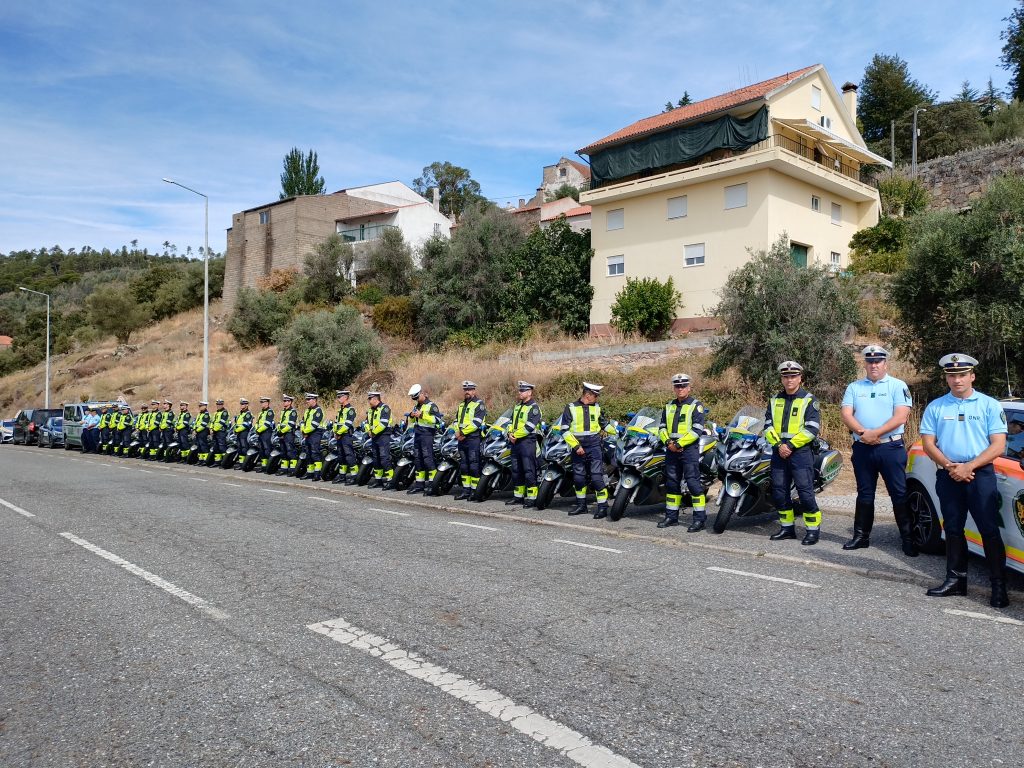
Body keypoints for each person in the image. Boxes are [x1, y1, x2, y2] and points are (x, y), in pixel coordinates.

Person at [920, 354, 1009, 609]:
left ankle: (998, 586)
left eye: (962, 375)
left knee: (989, 530)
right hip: (949, 473)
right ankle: (956, 581)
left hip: (979, 474)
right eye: (952, 375)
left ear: (972, 376)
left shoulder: (989, 405)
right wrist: (951, 467)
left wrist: (969, 466)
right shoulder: (936, 406)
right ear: (946, 378)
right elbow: (928, 443)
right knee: (953, 528)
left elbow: (999, 445)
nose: (957, 380)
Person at [840, 345, 916, 555]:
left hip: (890, 447)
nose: (874, 365)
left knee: (898, 493)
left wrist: (876, 433)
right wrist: (864, 432)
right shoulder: (854, 387)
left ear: (885, 363)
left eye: (878, 361)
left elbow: (901, 416)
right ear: (865, 364)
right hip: (863, 447)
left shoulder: (897, 385)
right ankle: (861, 536)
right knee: (864, 494)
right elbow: (846, 414)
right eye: (870, 361)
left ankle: (908, 539)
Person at [764, 361, 823, 545]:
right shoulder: (774, 400)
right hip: (778, 452)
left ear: (800, 378)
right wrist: (779, 445)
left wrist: (789, 446)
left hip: (800, 453)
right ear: (782, 379)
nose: (789, 380)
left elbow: (812, 429)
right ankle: (787, 528)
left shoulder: (809, 400)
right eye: (786, 376)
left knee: (805, 493)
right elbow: (767, 426)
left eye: (793, 376)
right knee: (779, 493)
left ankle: (812, 530)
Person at [657, 373, 707, 531]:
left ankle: (699, 519)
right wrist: (667, 442)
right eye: (677, 386)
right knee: (671, 483)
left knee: (693, 483)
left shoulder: (695, 405)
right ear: (674, 388)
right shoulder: (668, 406)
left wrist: (678, 444)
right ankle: (671, 517)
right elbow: (662, 427)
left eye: (683, 386)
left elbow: (697, 430)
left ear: (689, 388)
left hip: (688, 450)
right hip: (671, 450)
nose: (680, 389)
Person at [562, 382, 616, 518]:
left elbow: (603, 424)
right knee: (579, 478)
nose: (597, 399)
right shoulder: (570, 407)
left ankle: (603, 507)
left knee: (597, 477)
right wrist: (576, 446)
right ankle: (581, 506)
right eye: (595, 396)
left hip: (594, 446)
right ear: (587, 395)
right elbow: (564, 430)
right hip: (578, 447)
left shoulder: (596, 407)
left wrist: (618, 431)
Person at [506, 381, 542, 508]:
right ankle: (518, 497)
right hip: (515, 442)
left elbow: (530, 426)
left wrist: (515, 435)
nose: (519, 393)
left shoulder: (534, 408)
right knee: (516, 470)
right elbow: (511, 423)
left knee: (529, 470)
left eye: (522, 391)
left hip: (527, 442)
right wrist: (510, 433)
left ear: (530, 392)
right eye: (519, 390)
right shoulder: (517, 406)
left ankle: (532, 498)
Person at [406, 384, 444, 495]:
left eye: (417, 397)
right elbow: (413, 422)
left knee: (428, 459)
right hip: (417, 435)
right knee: (418, 460)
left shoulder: (432, 406)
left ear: (422, 394)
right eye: (414, 398)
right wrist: (412, 416)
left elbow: (437, 420)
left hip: (427, 435)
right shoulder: (417, 406)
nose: (416, 400)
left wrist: (422, 415)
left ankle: (433, 486)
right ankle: (419, 485)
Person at [454, 380, 487, 501]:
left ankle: (475, 492)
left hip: (473, 438)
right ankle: (466, 491)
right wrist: (457, 432)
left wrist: (462, 433)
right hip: (462, 439)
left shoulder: (479, 404)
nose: (467, 392)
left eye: (469, 389)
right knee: (464, 466)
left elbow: (476, 423)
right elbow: (456, 420)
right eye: (465, 390)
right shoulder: (462, 405)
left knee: (474, 466)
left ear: (474, 390)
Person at [367, 388, 394, 489]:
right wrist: (368, 430)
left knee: (384, 459)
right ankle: (378, 481)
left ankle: (390, 481)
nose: (369, 401)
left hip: (383, 436)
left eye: (370, 399)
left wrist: (373, 432)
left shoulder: (385, 408)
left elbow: (383, 423)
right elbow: (367, 422)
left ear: (375, 399)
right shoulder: (370, 410)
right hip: (374, 437)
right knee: (376, 459)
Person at [332, 390, 359, 485]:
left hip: (346, 435)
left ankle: (354, 476)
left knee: (349, 456)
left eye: (340, 397)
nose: (338, 399)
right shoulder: (340, 410)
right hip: (339, 436)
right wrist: (335, 432)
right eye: (338, 397)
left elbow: (347, 424)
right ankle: (342, 476)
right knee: (341, 456)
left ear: (346, 397)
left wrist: (338, 433)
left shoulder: (351, 410)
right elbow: (336, 423)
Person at [300, 392, 325, 481]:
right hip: (307, 434)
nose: (307, 401)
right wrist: (303, 431)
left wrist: (305, 431)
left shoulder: (318, 411)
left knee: (315, 453)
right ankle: (309, 473)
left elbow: (314, 424)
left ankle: (317, 474)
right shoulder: (307, 410)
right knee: (308, 454)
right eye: (306, 399)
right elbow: (302, 421)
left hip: (315, 434)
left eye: (308, 399)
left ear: (314, 400)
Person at [276, 395, 298, 476]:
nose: (284, 402)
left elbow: (290, 424)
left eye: (286, 401)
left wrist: (281, 432)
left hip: (289, 434)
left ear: (290, 402)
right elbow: (280, 422)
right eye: (284, 401)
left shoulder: (293, 412)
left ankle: (292, 470)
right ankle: (284, 469)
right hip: (282, 434)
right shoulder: (283, 411)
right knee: (283, 452)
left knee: (290, 452)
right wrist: (279, 431)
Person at [253, 397, 275, 473]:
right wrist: (256, 429)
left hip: (266, 433)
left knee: (267, 450)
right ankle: (264, 467)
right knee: (262, 451)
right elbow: (257, 423)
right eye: (261, 402)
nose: (262, 404)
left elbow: (267, 424)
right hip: (260, 433)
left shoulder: (270, 412)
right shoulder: (261, 413)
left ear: (267, 403)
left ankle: (270, 467)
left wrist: (258, 430)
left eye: (263, 402)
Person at [232, 398, 253, 469]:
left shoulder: (248, 414)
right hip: (239, 433)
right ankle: (241, 464)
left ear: (247, 405)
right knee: (240, 448)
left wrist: (237, 430)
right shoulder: (241, 414)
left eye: (243, 404)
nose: (241, 405)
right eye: (241, 404)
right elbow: (237, 424)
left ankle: (246, 464)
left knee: (244, 448)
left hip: (244, 433)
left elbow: (245, 425)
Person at [211, 399, 230, 465]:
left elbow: (221, 423)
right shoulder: (216, 413)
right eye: (217, 404)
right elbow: (212, 422)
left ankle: (225, 462)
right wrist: (211, 428)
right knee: (216, 447)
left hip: (221, 432)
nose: (218, 406)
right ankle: (217, 462)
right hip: (215, 431)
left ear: (222, 405)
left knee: (222, 447)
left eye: (220, 404)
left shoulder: (224, 412)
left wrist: (214, 429)